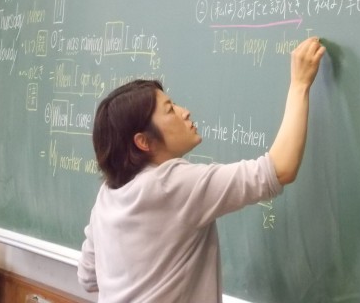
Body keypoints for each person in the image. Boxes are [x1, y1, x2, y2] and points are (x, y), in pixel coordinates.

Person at [77, 36, 326, 302]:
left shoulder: (108, 196)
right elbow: (279, 169)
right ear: (143, 141)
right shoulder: (169, 184)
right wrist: (299, 85)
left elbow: (88, 277)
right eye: (170, 110)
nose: (184, 112)